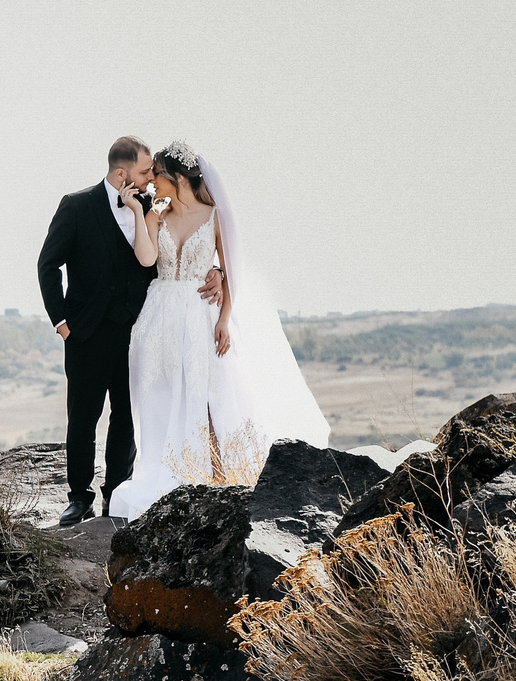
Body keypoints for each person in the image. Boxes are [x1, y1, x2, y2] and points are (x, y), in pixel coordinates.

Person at [104, 142, 330, 521]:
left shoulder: (214, 216)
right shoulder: (156, 211)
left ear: (176, 178)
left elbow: (231, 271)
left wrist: (225, 318)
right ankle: (168, 468)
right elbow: (146, 258)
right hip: (159, 316)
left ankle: (217, 472)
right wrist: (136, 212)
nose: (150, 185)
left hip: (199, 315)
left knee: (207, 393)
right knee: (160, 395)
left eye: (155, 176)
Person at [38, 137, 172, 525]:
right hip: (86, 333)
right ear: (121, 173)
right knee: (82, 417)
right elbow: (48, 265)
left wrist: (215, 271)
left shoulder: (152, 207)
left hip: (138, 331)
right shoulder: (76, 206)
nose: (152, 177)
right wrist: (62, 323)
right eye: (146, 171)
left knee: (127, 416)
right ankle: (79, 497)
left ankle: (117, 492)